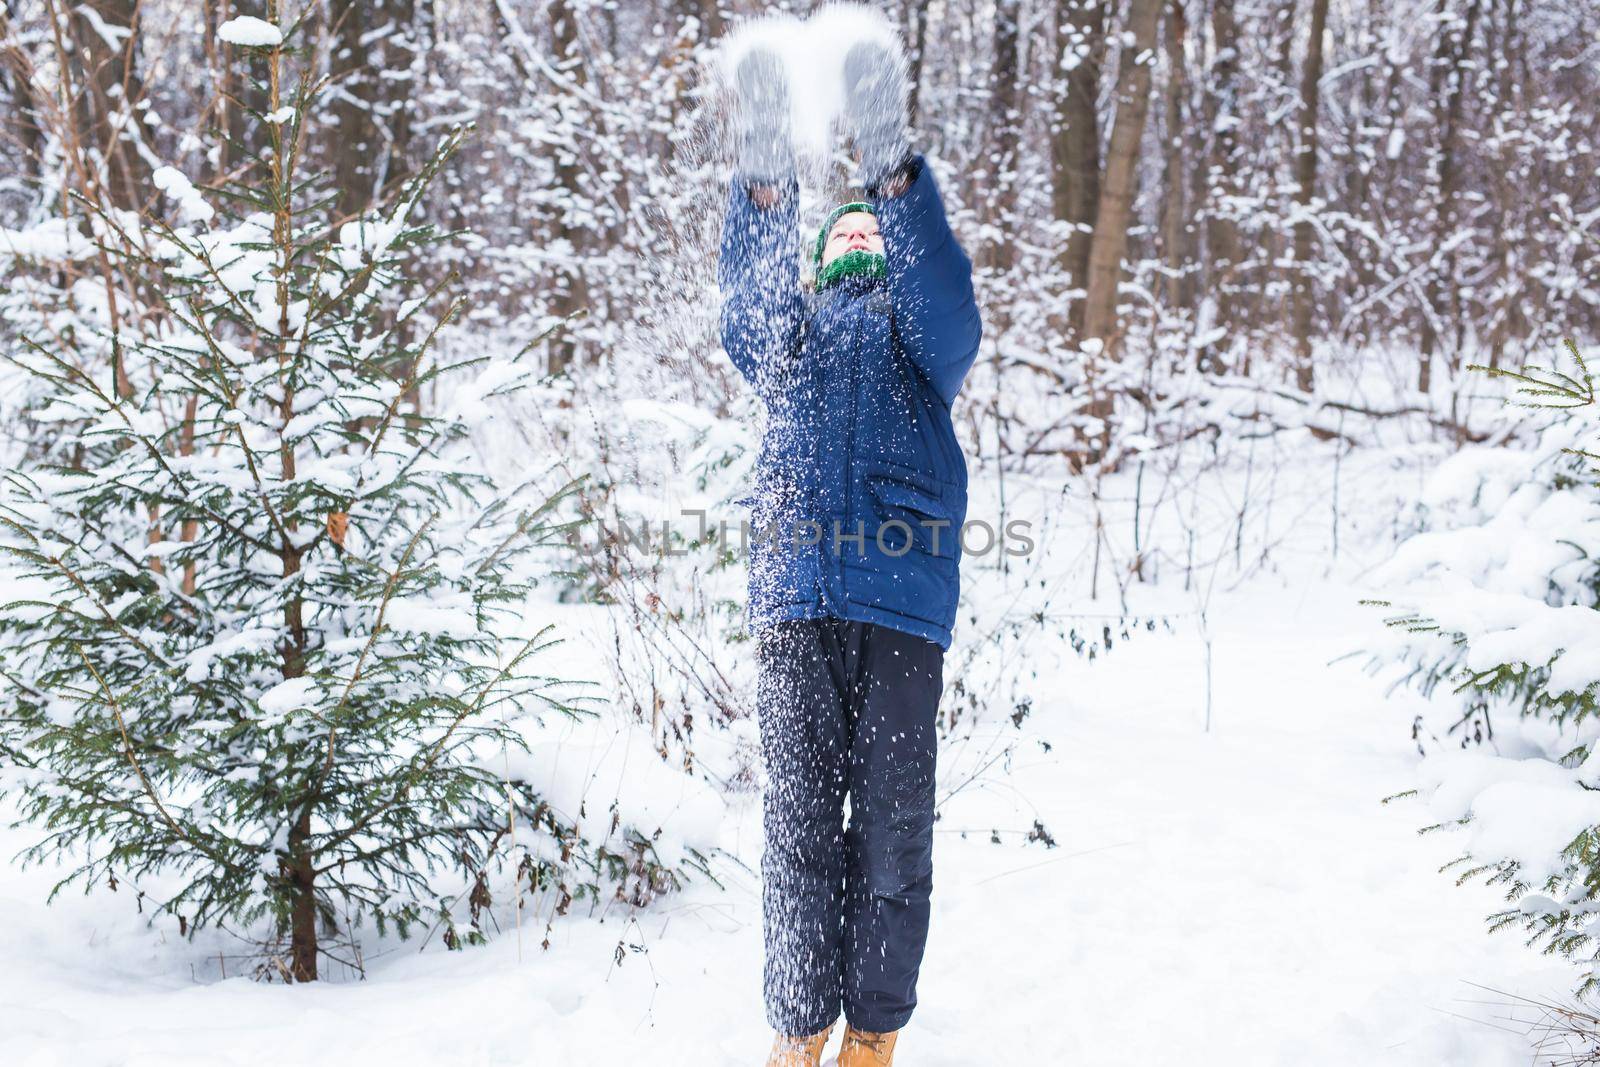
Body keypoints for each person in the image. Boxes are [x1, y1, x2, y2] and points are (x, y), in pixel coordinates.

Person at [717, 36, 982, 1067]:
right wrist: (764, 184)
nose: (863, 248)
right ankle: (797, 1033)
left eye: (877, 232)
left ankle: (871, 1035)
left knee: (891, 831)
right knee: (797, 836)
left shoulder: (923, 348)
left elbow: (945, 299)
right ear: (826, 253)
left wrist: (895, 175)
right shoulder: (791, 342)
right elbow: (750, 312)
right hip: (793, 601)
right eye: (853, 232)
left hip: (899, 611)